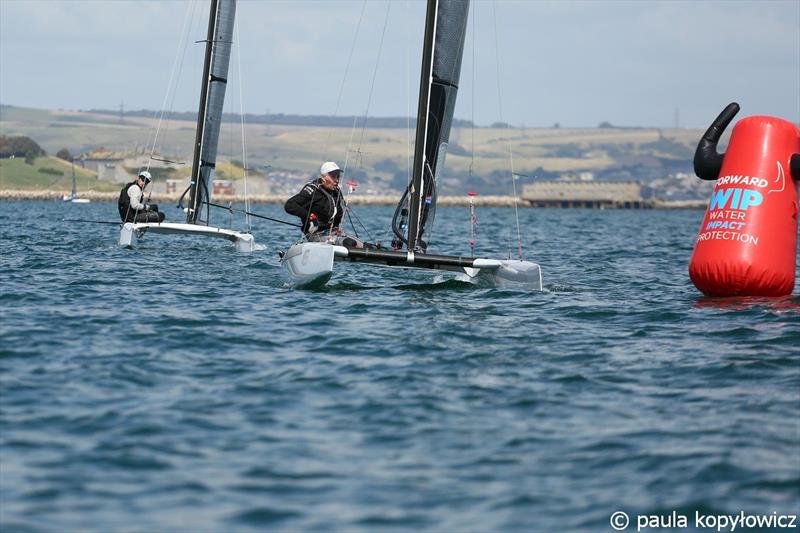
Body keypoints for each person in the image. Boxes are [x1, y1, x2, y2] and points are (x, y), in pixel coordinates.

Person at [284, 161, 346, 235]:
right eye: (333, 177)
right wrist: (309, 216)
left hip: (332, 232)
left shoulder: (336, 191)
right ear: (323, 177)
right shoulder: (313, 190)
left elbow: (338, 213)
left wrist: (336, 227)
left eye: (338, 176)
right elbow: (290, 205)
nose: (337, 180)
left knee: (351, 243)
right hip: (316, 234)